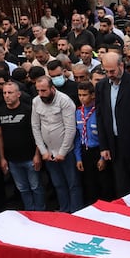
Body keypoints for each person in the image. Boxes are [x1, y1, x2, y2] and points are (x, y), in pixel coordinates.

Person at [95, 51, 130, 195]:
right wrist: (104, 146)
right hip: (114, 145)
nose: (110, 74)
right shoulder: (102, 86)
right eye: (106, 71)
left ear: (121, 65)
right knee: (122, 185)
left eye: (112, 70)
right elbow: (101, 118)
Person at [31, 75, 80, 212]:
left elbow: (71, 129)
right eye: (38, 91)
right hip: (48, 153)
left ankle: (76, 212)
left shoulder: (64, 101)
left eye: (44, 90)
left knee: (73, 184)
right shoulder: (36, 102)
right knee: (58, 184)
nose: (41, 94)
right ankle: (64, 211)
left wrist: (63, 152)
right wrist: (43, 151)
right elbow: (35, 127)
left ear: (52, 88)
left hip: (66, 152)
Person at [0, 80, 42, 211]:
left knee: (36, 187)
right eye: (4, 93)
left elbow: (38, 133)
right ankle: (30, 212)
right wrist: (2, 158)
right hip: (12, 160)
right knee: (23, 188)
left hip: (30, 157)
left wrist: (38, 155)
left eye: (10, 92)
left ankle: (40, 212)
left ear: (18, 94)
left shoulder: (29, 110)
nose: (7, 96)